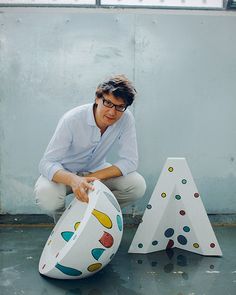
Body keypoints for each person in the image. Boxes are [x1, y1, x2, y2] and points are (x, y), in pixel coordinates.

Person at [34, 74, 146, 222]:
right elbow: (46, 163)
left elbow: (130, 161)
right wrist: (74, 180)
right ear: (97, 98)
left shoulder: (126, 119)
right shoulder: (72, 119)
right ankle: (63, 223)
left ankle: (90, 216)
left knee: (136, 185)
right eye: (108, 103)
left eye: (120, 107)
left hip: (96, 171)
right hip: (65, 173)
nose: (112, 112)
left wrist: (88, 179)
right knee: (46, 195)